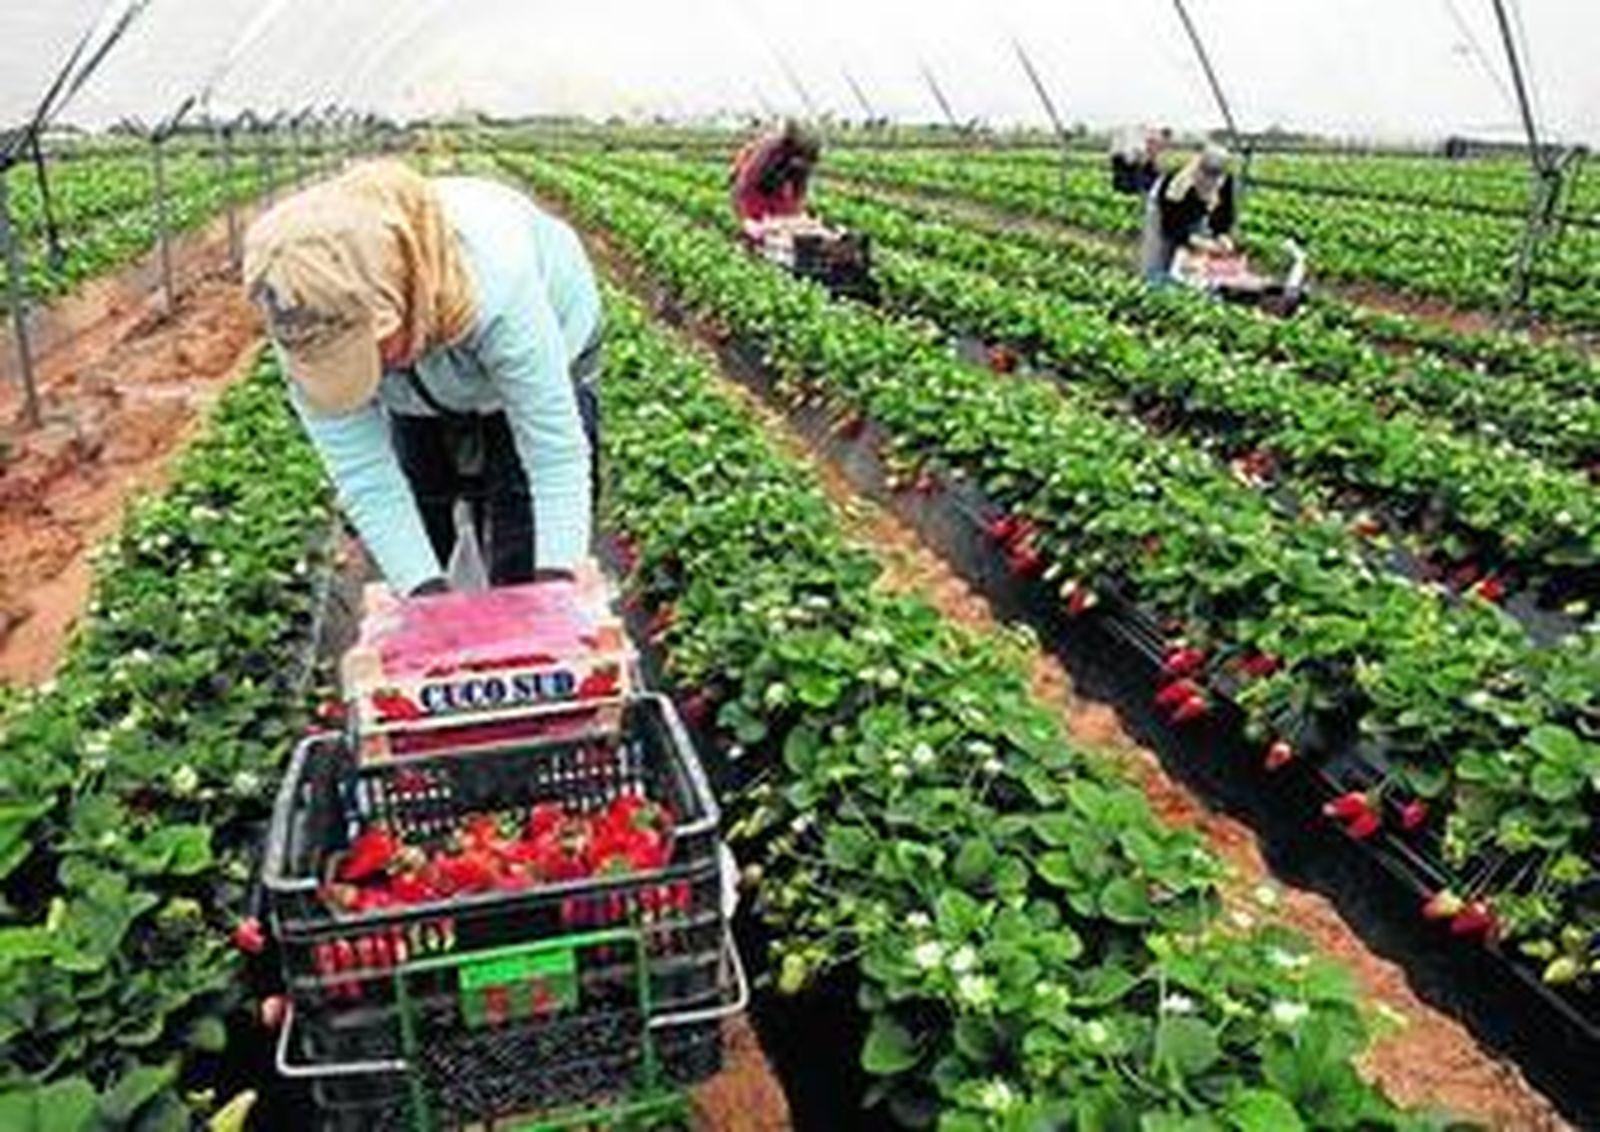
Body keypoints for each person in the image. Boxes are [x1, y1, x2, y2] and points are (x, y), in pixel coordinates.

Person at [242, 160, 601, 597]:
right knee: (423, 503)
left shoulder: (497, 281)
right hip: (419, 379)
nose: (365, 371)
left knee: (521, 532)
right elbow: (367, 477)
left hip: (546, 340)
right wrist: (425, 601)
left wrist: (554, 599)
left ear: (398, 300)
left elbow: (554, 458)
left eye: (370, 348)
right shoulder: (302, 308)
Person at [1139, 143, 1237, 284]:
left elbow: (1224, 212)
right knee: (1160, 251)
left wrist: (1222, 234)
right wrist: (1197, 241)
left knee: (1193, 255)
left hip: (1192, 209)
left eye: (1215, 182)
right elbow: (1171, 227)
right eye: (1205, 181)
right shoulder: (1177, 186)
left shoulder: (1225, 181)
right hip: (1164, 210)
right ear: (1198, 172)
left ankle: (1184, 281)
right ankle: (1153, 283)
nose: (1210, 185)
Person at [729, 121, 823, 243]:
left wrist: (798, 218)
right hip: (756, 187)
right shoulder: (764, 155)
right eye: (800, 158)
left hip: (774, 185)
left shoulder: (801, 165)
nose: (802, 163)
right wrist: (748, 220)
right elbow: (744, 187)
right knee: (758, 221)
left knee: (784, 217)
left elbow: (799, 189)